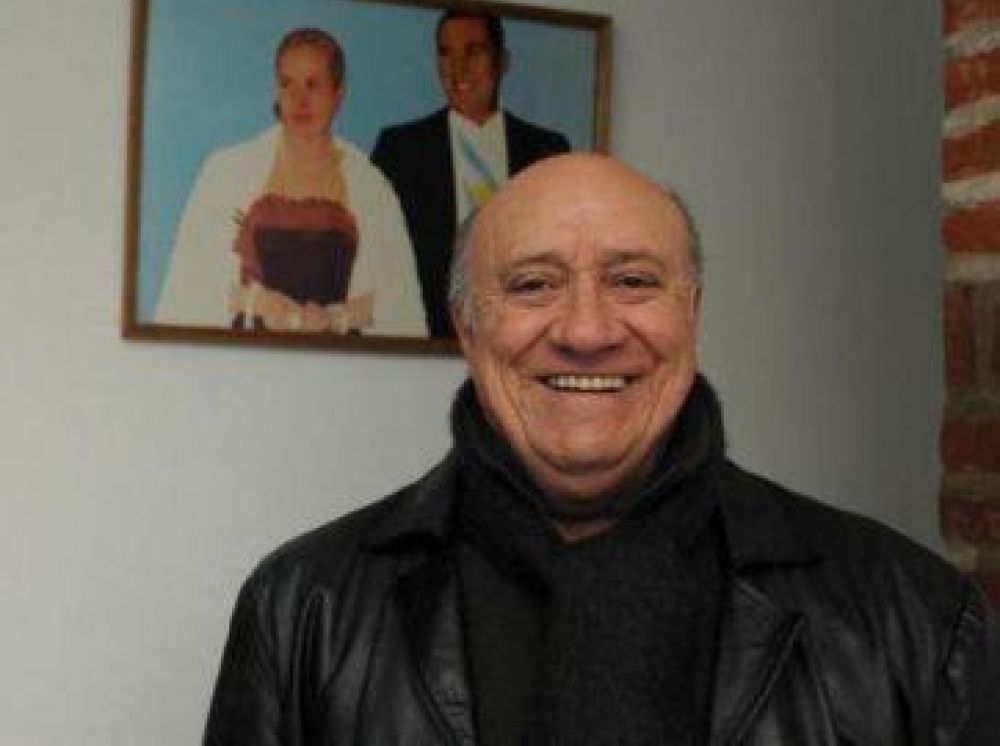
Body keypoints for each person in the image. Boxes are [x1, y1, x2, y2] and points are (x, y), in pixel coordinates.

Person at [203, 154, 1000, 744]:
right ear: (468, 330)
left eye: (633, 281)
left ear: (692, 313)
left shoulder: (917, 618)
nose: (586, 331)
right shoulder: (300, 609)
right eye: (533, 284)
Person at [156, 28, 425, 337]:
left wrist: (334, 318)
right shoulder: (226, 171)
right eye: (287, 84)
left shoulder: (371, 187)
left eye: (313, 84)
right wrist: (256, 302)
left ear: (338, 93)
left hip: (339, 357)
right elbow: (190, 284)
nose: (299, 100)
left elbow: (397, 303)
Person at [371, 8, 570, 339]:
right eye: (446, 53)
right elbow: (380, 256)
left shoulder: (547, 150)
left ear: (502, 62)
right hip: (424, 341)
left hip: (524, 338)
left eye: (473, 52)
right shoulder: (400, 149)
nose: (457, 68)